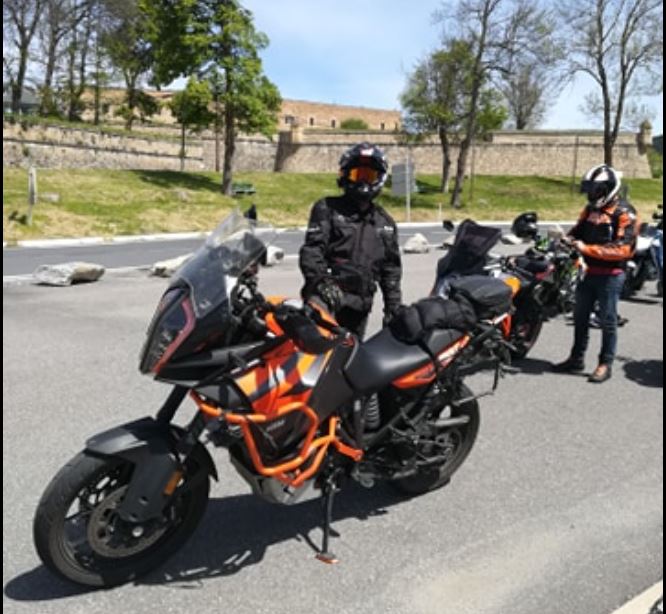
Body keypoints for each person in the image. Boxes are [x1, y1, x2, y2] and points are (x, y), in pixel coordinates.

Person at [299, 142, 402, 338]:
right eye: (357, 175)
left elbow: (391, 272)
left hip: (359, 308)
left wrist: (393, 310)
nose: (363, 181)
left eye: (369, 176)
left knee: (352, 353)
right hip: (325, 300)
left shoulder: (385, 223)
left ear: (380, 179)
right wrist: (322, 282)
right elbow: (312, 251)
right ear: (346, 175)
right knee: (316, 350)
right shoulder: (327, 208)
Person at [552, 164, 638, 383]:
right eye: (590, 189)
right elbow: (577, 231)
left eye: (596, 189)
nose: (592, 194)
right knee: (580, 317)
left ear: (609, 188)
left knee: (607, 320)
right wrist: (566, 240)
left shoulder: (624, 212)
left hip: (611, 275)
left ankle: (605, 364)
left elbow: (624, 249)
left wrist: (586, 248)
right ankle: (576, 358)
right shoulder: (590, 210)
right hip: (587, 271)